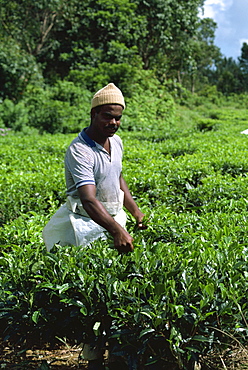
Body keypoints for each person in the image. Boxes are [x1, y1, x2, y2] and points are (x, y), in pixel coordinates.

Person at [42, 83, 145, 254]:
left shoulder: (116, 141)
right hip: (85, 224)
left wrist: (136, 212)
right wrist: (117, 231)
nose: (113, 122)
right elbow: (88, 199)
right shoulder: (80, 150)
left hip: (113, 218)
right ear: (93, 114)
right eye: (107, 116)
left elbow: (116, 177)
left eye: (118, 118)